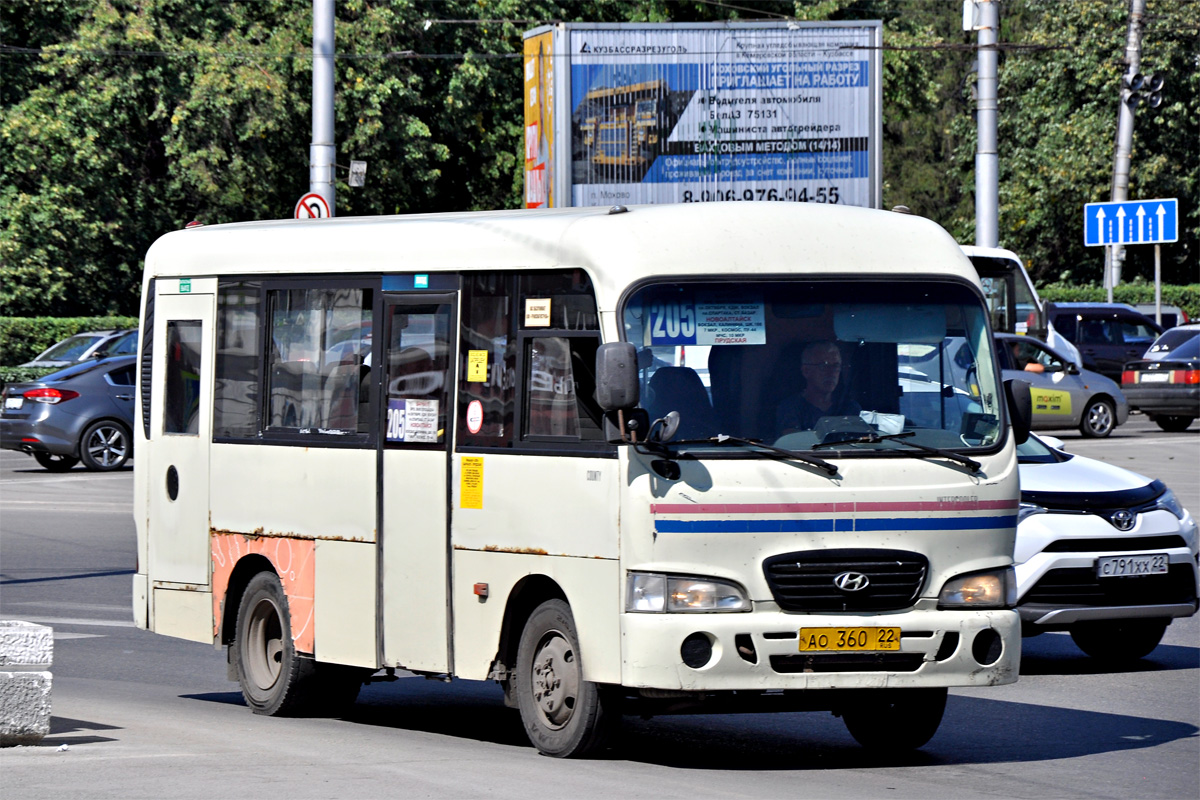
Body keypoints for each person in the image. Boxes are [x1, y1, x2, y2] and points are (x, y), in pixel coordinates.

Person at [776, 340, 861, 432]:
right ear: (806, 371)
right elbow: (792, 443)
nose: (831, 372)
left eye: (836, 366)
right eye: (823, 366)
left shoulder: (850, 408)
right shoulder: (790, 408)